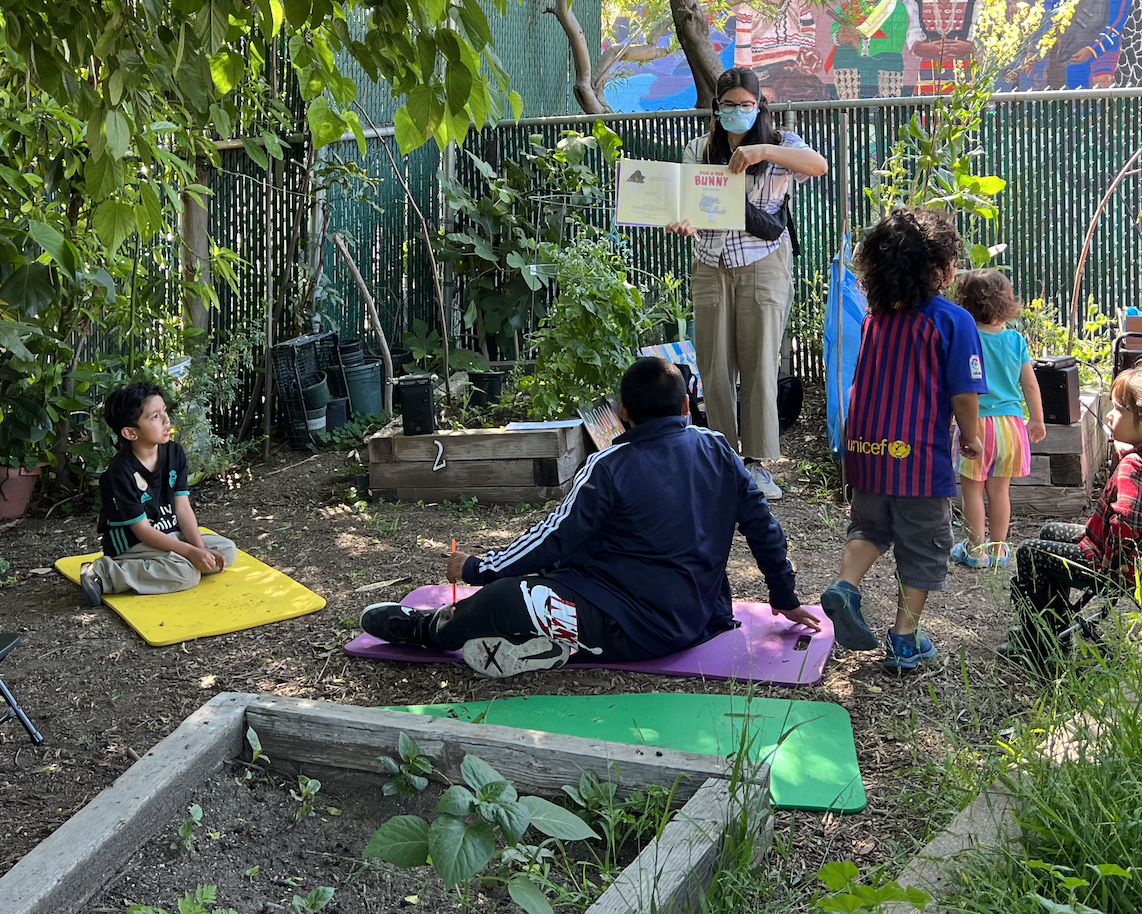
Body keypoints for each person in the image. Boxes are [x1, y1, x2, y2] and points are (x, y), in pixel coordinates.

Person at [360, 357, 819, 676]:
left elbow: (551, 537)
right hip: (698, 619)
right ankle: (544, 648)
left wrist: (480, 568)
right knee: (552, 575)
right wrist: (784, 595)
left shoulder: (609, 466)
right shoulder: (718, 448)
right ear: (685, 407)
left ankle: (426, 630)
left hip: (628, 626)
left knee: (506, 596)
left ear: (621, 414)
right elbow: (764, 528)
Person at [818, 208, 986, 673]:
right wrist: (970, 437)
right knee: (923, 548)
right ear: (939, 268)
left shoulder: (877, 319)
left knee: (870, 528)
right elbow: (964, 393)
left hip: (868, 451)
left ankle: (845, 585)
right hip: (919, 460)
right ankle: (904, 639)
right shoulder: (952, 321)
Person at [670, 66, 826, 500]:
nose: (738, 111)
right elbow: (686, 201)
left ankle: (757, 464)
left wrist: (762, 153)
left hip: (763, 264)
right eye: (729, 105)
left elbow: (818, 165)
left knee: (760, 364)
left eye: (746, 104)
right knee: (715, 366)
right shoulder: (699, 148)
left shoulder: (779, 143)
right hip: (709, 263)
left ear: (759, 105)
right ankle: (724, 459)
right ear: (716, 108)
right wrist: (683, 221)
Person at [1000, 363, 1142, 671]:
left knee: (1030, 553)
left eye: (1118, 409)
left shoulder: (1134, 467)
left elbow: (1126, 523)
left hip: (1110, 566)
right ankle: (1053, 626)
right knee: (1051, 531)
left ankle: (1040, 644)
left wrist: (1110, 566)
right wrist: (1126, 454)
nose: (1109, 414)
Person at [79, 381, 237, 603]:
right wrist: (191, 554)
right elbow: (142, 530)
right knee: (186, 573)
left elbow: (182, 508)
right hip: (133, 543)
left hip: (169, 533)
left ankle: (174, 562)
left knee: (227, 550)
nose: (165, 420)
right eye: (154, 416)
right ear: (130, 433)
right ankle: (104, 573)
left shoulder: (174, 453)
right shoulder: (120, 471)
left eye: (164, 411)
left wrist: (200, 550)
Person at [949, 270, 1046, 569]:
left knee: (972, 491)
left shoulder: (967, 337)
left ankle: (975, 551)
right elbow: (1030, 384)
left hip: (976, 424)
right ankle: (1000, 550)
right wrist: (1037, 419)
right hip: (1011, 427)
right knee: (999, 491)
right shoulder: (1015, 340)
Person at [907, 0, 976, 91]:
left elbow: (981, 38)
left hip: (963, 72)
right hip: (927, 72)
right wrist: (922, 47)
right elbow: (912, 33)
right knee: (926, 111)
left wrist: (971, 46)